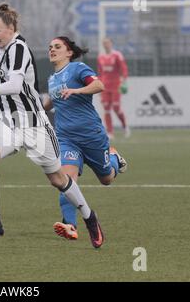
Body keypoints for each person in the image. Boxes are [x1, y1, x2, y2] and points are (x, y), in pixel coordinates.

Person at [0, 3, 105, 248]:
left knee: (58, 179)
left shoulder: (19, 49)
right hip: (6, 121)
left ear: (11, 28)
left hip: (33, 123)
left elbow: (15, 86)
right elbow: (2, 82)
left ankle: (90, 218)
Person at [42, 36, 128, 241]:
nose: (52, 50)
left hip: (91, 135)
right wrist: (39, 110)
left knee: (106, 179)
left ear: (69, 52)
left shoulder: (78, 68)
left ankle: (114, 158)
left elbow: (99, 85)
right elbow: (52, 101)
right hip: (66, 138)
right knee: (65, 179)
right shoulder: (52, 79)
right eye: (50, 47)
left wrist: (76, 90)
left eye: (57, 47)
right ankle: (70, 225)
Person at [97, 37, 130, 140]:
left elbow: (123, 68)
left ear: (111, 43)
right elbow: (100, 73)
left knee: (116, 108)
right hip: (105, 87)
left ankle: (125, 127)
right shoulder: (100, 57)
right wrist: (98, 87)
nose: (106, 45)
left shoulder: (117, 55)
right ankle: (110, 132)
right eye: (104, 43)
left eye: (107, 43)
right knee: (106, 108)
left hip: (116, 85)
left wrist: (124, 80)